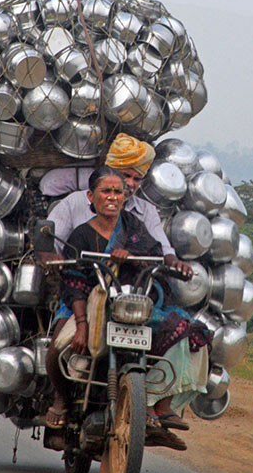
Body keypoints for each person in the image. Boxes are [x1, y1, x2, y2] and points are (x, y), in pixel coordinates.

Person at [45, 168, 208, 450]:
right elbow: (73, 284)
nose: (112, 197)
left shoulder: (135, 227)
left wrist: (136, 259)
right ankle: (61, 399)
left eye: (117, 192)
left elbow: (155, 256)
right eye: (106, 192)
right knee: (59, 348)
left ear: (124, 197)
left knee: (188, 331)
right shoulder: (82, 235)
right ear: (91, 197)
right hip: (86, 304)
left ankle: (157, 403)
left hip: (128, 302)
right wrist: (82, 324)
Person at [42, 132, 191, 277]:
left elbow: (161, 249)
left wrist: (174, 262)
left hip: (130, 287)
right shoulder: (74, 202)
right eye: (126, 175)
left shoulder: (146, 210)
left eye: (137, 179)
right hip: (81, 280)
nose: (131, 184)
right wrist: (49, 256)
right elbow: (52, 243)